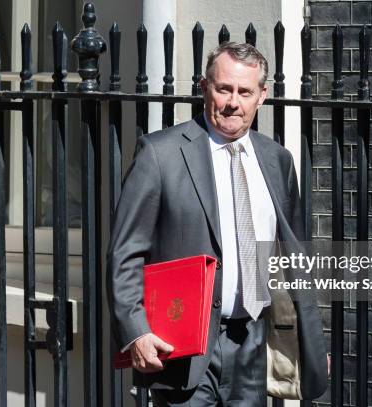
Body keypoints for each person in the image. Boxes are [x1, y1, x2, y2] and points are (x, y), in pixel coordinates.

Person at [107, 42, 328, 406]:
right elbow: (125, 252)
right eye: (224, 88)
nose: (233, 103)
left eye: (245, 92)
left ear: (262, 95)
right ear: (204, 86)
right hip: (184, 348)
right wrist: (136, 331)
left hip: (252, 342)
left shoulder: (278, 161)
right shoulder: (159, 155)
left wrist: (309, 339)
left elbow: (291, 257)